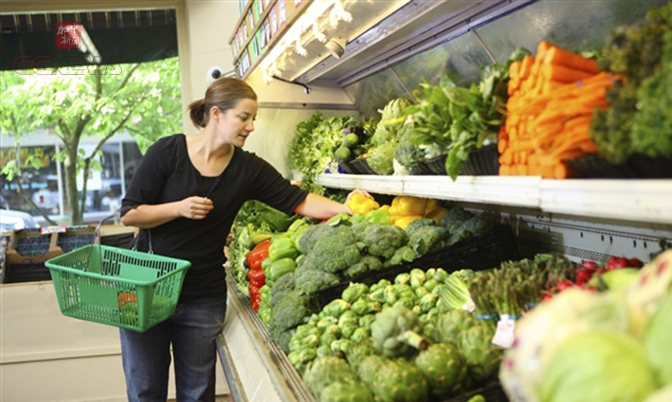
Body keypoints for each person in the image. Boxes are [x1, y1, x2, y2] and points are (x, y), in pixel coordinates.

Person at [119, 77, 370, 402]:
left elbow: (298, 200)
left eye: (254, 118)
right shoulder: (168, 152)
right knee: (144, 391)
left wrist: (347, 209)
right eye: (244, 117)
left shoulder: (248, 169)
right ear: (216, 114)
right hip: (146, 290)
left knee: (196, 395)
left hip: (201, 297)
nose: (251, 126)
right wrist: (178, 208)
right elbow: (130, 214)